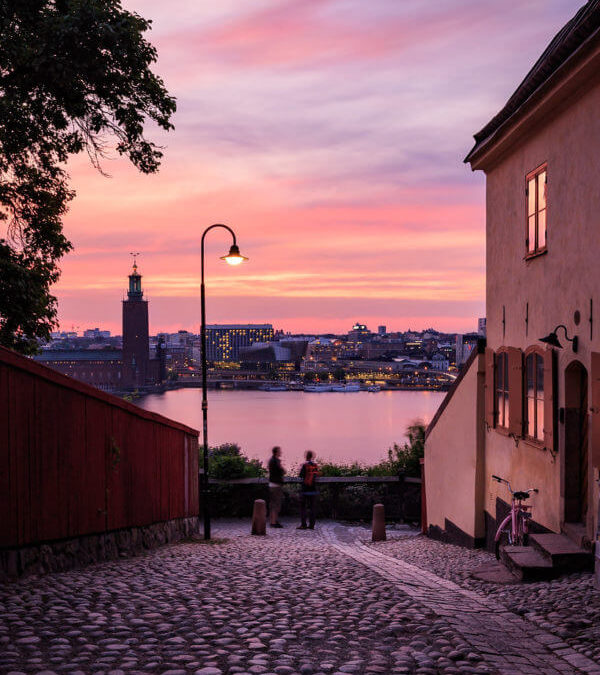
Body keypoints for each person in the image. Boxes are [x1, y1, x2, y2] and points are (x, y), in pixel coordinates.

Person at [298, 450, 320, 530]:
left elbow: (301, 476)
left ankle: (303, 524)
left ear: (306, 456)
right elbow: (317, 476)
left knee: (303, 508)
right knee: (312, 508)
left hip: (305, 490)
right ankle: (312, 525)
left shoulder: (304, 465)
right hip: (313, 490)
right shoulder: (315, 465)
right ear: (312, 457)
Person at [268, 446, 285, 528]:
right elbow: (282, 471)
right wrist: (282, 469)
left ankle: (273, 520)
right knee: (276, 504)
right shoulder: (276, 461)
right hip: (276, 485)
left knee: (272, 504)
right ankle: (274, 522)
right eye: (279, 451)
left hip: (271, 484)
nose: (281, 452)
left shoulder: (271, 460)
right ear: (276, 452)